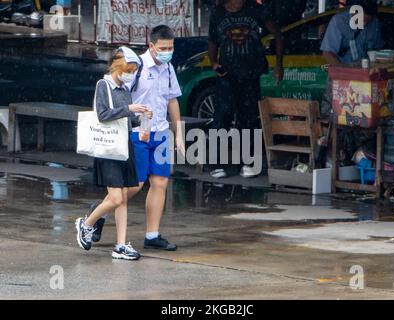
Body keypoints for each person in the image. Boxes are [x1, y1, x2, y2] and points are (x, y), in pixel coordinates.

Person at [90, 26, 184, 251]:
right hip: (136, 132)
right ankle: (100, 210)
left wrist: (178, 132)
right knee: (135, 184)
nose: (167, 52)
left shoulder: (169, 69)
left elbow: (172, 100)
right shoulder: (135, 67)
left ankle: (152, 234)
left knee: (160, 182)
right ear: (151, 46)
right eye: (163, 48)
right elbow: (119, 94)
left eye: (170, 48)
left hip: (160, 132)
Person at [75, 47, 152, 261]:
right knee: (117, 198)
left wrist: (141, 117)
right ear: (117, 66)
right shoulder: (104, 85)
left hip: (123, 145)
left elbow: (125, 119)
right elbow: (103, 114)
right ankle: (87, 223)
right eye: (128, 70)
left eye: (133, 70)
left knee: (122, 199)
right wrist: (130, 109)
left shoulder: (124, 88)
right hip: (109, 148)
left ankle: (120, 245)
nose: (130, 74)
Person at [207, 0, 284, 179]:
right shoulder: (218, 12)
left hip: (250, 73)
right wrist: (213, 63)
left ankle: (248, 162)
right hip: (226, 74)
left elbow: (278, 35)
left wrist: (279, 65)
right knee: (222, 117)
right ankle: (218, 163)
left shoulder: (257, 10)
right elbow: (212, 41)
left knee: (248, 118)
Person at [319, 0, 383, 118]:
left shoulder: (375, 24)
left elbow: (377, 51)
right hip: (340, 75)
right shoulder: (338, 22)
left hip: (363, 78)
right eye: (362, 20)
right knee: (333, 115)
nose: (363, 24)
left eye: (367, 22)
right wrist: (346, 74)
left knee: (360, 115)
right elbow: (327, 53)